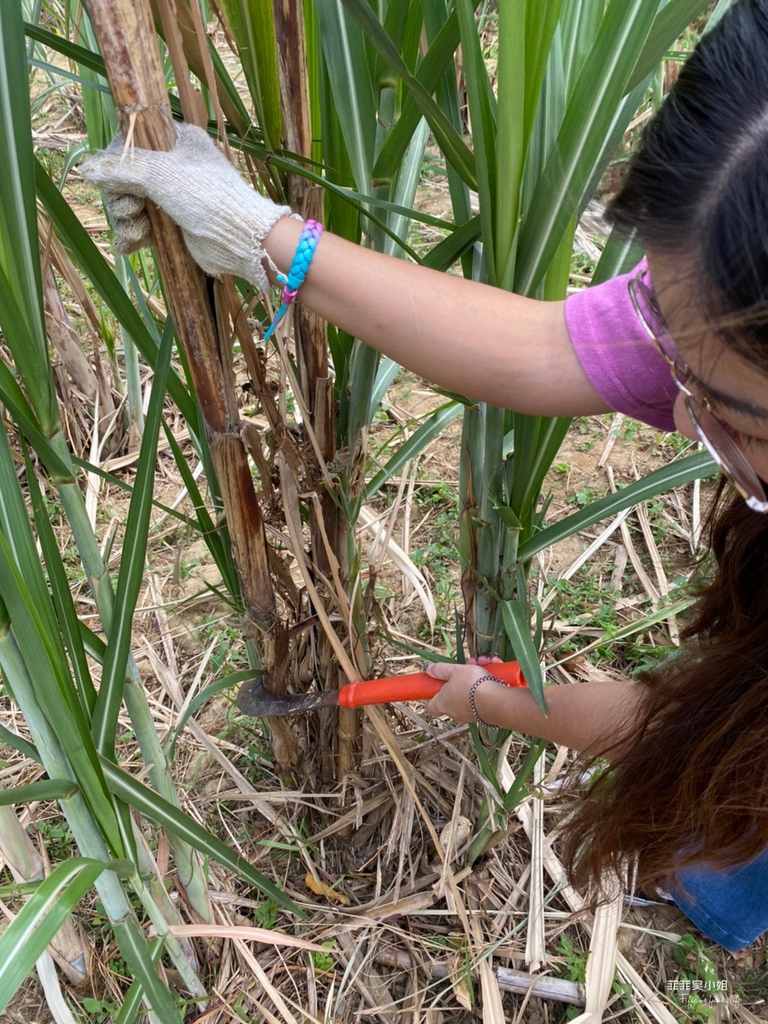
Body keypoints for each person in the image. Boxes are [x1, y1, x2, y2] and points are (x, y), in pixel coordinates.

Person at [82, 0, 768, 953]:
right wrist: (257, 232)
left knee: (740, 808)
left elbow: (698, 737)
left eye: (732, 412)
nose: (678, 413)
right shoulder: (726, 308)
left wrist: (487, 700)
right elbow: (537, 347)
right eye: (670, 346)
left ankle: (725, 885)